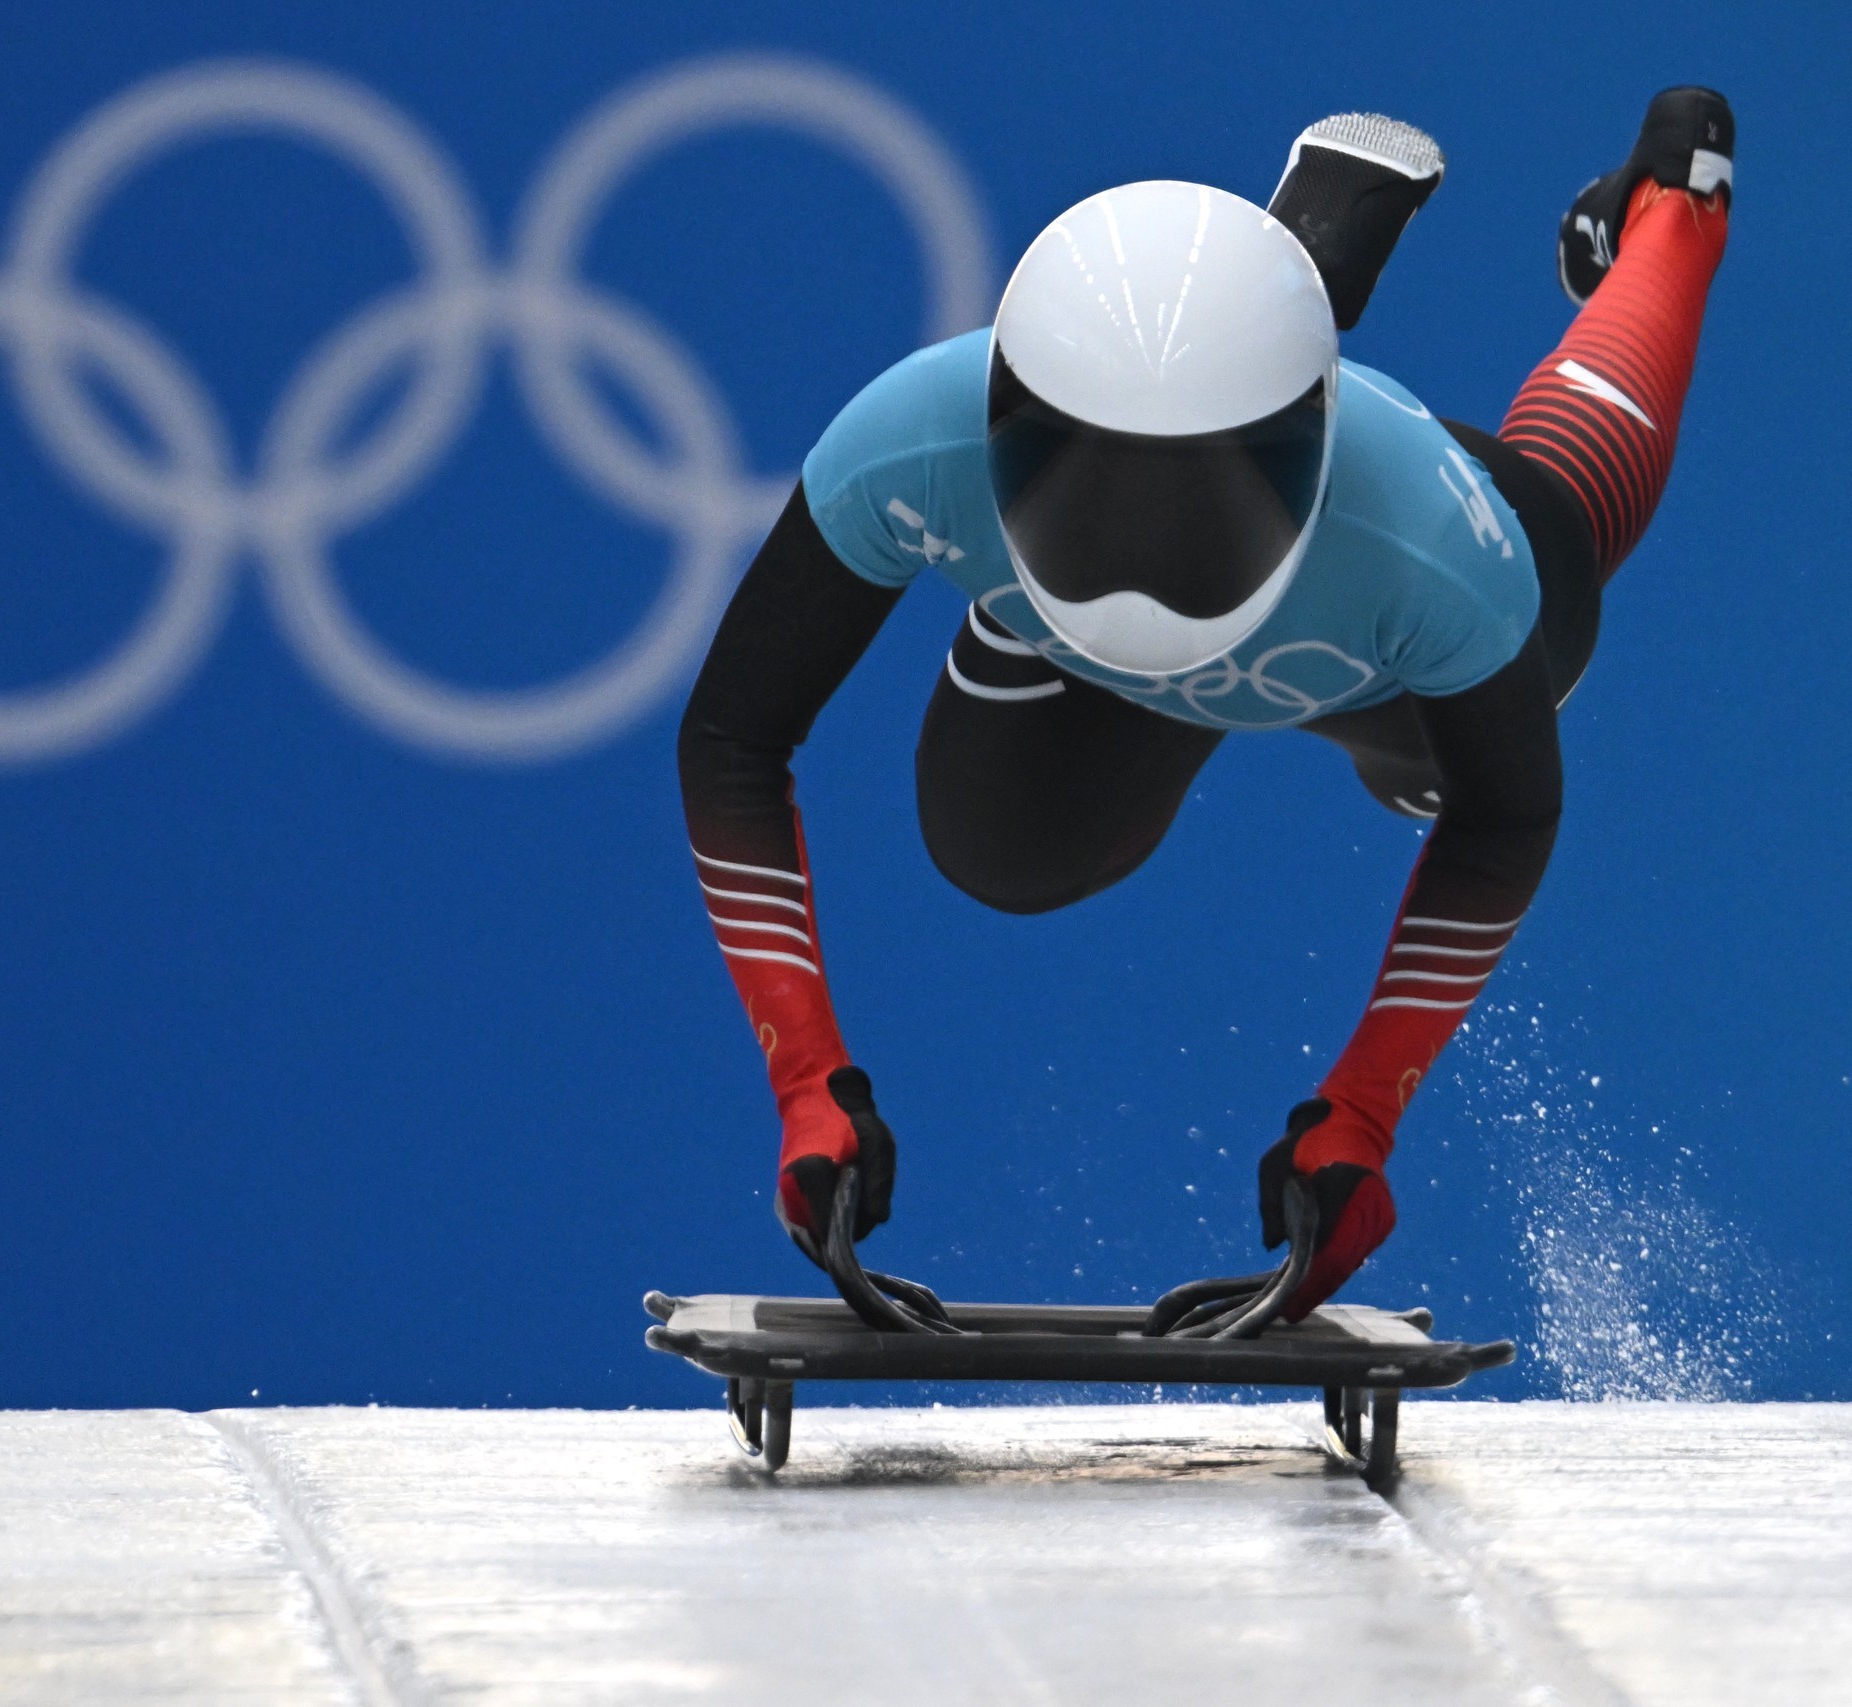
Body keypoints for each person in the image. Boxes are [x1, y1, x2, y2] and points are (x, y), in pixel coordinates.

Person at [676, 90, 1733, 1320]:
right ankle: (1295, 268)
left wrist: (1360, 1114)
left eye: (1198, 513)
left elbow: (1501, 822)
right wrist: (805, 1080)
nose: (1147, 551)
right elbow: (733, 739)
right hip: (1126, 643)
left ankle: (1672, 211)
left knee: (1546, 590)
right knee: (1002, 851)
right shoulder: (908, 439)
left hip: (1361, 627)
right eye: (1093, 499)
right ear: (1008, 425)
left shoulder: (1439, 551)